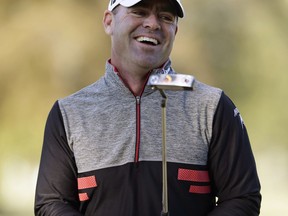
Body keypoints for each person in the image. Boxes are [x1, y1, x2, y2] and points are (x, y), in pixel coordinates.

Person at [34, 0, 261, 215]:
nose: (153, 23)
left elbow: (242, 197)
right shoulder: (68, 113)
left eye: (165, 16)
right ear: (109, 22)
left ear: (175, 31)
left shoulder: (212, 106)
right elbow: (51, 203)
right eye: (139, 11)